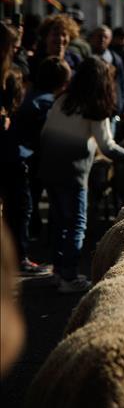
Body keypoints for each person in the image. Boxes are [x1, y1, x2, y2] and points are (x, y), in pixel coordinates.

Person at [39, 57, 124, 293]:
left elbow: (46, 131)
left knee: (58, 221)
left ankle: (58, 271)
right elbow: (108, 147)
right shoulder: (95, 108)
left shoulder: (63, 100)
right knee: (76, 223)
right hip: (73, 171)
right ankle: (70, 277)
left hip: (49, 167)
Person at [3, 57, 71, 274]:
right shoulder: (47, 104)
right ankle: (19, 259)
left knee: (13, 210)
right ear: (63, 83)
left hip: (12, 156)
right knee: (22, 210)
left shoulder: (31, 97)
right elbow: (46, 139)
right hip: (20, 159)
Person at [89, 26, 124, 134]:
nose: (102, 39)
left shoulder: (115, 60)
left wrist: (123, 106)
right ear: (92, 38)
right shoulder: (85, 56)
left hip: (110, 110)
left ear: (110, 40)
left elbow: (121, 84)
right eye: (99, 36)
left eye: (105, 37)